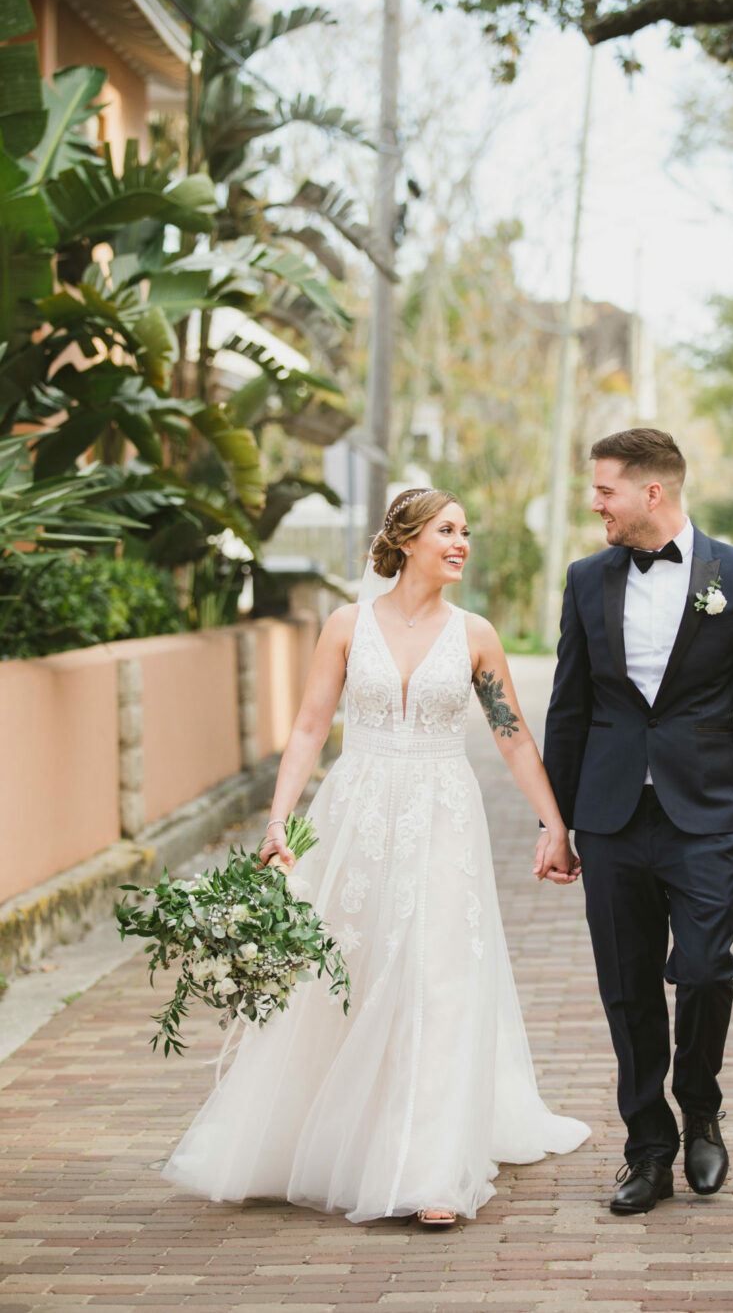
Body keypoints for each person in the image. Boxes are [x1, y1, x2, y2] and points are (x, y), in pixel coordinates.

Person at [163, 488, 590, 1226]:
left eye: (466, 532)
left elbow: (513, 735)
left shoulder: (476, 634)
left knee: (436, 976)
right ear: (407, 539)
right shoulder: (345, 625)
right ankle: (322, 1140)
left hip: (442, 817)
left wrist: (554, 823)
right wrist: (278, 823)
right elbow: (306, 729)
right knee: (343, 977)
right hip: (354, 814)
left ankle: (429, 1174)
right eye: (448, 530)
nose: (462, 543)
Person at [538, 429, 733, 1216]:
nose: (595, 503)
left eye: (606, 489)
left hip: (707, 812)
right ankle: (647, 1146)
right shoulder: (586, 580)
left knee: (707, 968)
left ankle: (702, 1107)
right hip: (611, 816)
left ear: (654, 493)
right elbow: (569, 706)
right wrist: (557, 821)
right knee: (627, 983)